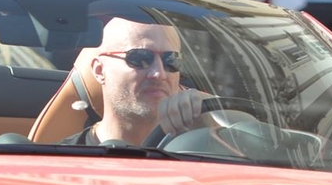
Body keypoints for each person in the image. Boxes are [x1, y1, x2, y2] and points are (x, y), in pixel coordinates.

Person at [68, 16, 225, 148]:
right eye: (140, 58)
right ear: (99, 70)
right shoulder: (62, 164)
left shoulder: (202, 156)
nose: (159, 73)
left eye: (170, 60)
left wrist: (210, 138)